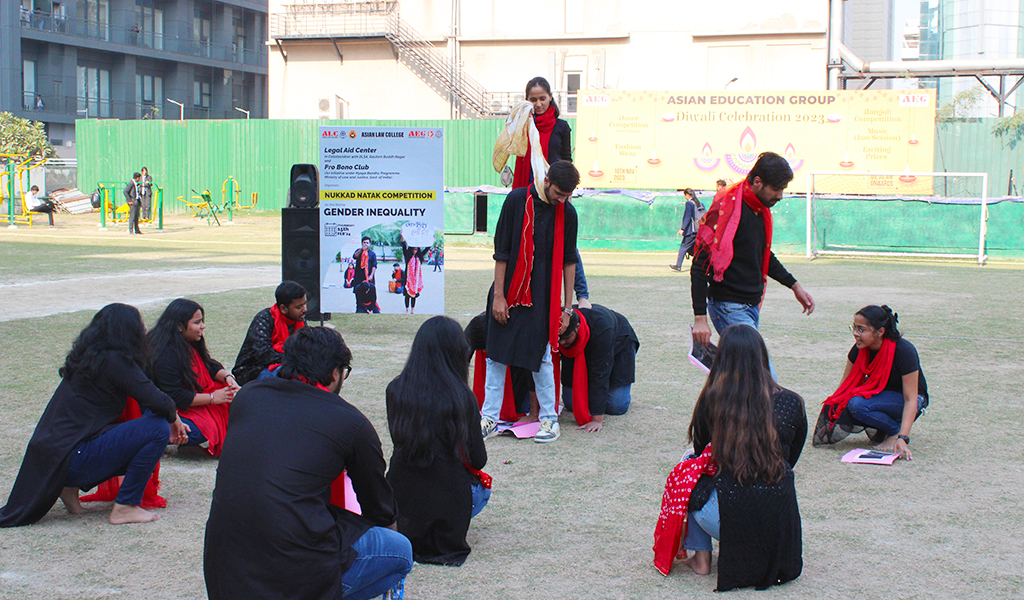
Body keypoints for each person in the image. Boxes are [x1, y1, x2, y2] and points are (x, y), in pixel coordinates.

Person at [204, 327, 412, 600]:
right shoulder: (350, 423)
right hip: (296, 572)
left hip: (225, 566)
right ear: (336, 373)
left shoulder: (249, 396)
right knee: (400, 550)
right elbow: (379, 507)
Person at [0, 304, 188, 527]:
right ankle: (125, 507)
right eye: (140, 324)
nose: (145, 328)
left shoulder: (91, 358)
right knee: (156, 428)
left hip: (57, 458)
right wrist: (174, 418)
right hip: (72, 458)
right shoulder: (115, 361)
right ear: (126, 330)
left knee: (143, 426)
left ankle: (67, 488)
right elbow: (158, 400)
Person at [654, 324, 805, 591]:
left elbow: (702, 453)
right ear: (761, 355)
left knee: (689, 470)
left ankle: (701, 559)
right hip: (779, 520)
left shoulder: (713, 399)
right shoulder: (793, 401)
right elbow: (790, 458)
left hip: (730, 515)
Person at [481, 160, 579, 444]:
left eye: (566, 196)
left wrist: (567, 307)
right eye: (558, 193)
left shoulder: (567, 213)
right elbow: (502, 252)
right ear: (546, 179)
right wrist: (499, 296)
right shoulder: (515, 200)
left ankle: (549, 421)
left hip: (544, 298)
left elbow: (569, 261)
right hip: (508, 292)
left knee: (544, 357)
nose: (561, 200)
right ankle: (488, 419)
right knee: (496, 357)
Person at [690, 152, 815, 367]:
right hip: (729, 306)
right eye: (776, 189)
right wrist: (700, 318)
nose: (780, 196)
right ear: (758, 182)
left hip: (751, 305)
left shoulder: (760, 211)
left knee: (737, 376)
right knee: (762, 376)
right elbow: (700, 265)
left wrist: (794, 285)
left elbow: (763, 255)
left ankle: (717, 401)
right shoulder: (725, 209)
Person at [386, 316, 489, 566]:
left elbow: (399, 442)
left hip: (401, 497)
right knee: (481, 490)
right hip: (448, 499)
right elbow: (479, 459)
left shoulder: (395, 390)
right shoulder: (463, 397)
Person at [813, 305, 928, 460]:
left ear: (880, 332)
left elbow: (911, 398)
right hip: (878, 396)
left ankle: (894, 431)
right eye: (854, 328)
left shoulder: (904, 351)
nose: (855, 334)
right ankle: (889, 427)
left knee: (857, 405)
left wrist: (902, 437)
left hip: (909, 399)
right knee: (846, 403)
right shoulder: (859, 349)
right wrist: (832, 417)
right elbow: (843, 388)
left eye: (861, 329)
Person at [149, 299, 240, 456]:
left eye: (202, 321)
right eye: (197, 322)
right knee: (196, 431)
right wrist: (212, 397)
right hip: (166, 408)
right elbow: (175, 396)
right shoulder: (165, 353)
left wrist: (227, 377)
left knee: (237, 406)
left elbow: (209, 364)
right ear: (179, 325)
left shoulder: (190, 340)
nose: (202, 326)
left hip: (189, 400)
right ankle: (156, 434)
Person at [558, 305, 640, 433]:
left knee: (616, 406)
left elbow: (600, 373)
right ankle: (596, 395)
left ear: (577, 327)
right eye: (559, 339)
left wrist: (596, 418)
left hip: (618, 344)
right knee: (570, 403)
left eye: (566, 338)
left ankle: (614, 390)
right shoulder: (562, 329)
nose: (561, 343)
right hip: (575, 349)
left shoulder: (603, 328)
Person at [231, 281, 307, 384]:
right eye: (299, 307)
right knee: (291, 376)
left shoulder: (299, 319)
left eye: (305, 304)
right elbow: (265, 354)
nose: (304, 309)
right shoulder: (264, 319)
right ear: (283, 309)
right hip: (253, 370)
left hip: (285, 364)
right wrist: (297, 360)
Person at [512, 76, 573, 189]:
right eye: (533, 100)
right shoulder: (522, 125)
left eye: (542, 98)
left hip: (554, 189)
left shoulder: (561, 127)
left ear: (550, 97)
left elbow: (566, 161)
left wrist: (566, 190)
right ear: (527, 100)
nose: (538, 104)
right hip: (526, 186)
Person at [670, 188, 703, 272]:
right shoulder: (700, 203)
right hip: (700, 230)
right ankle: (700, 263)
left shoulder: (689, 203)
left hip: (691, 230)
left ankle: (678, 265)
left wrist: (682, 229)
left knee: (683, 247)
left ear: (687, 195)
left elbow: (687, 217)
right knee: (693, 248)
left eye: (685, 195)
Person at [353, 236, 380, 313]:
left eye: (367, 243)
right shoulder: (358, 251)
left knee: (370, 291)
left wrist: (371, 275)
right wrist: (362, 250)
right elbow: (355, 256)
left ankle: (371, 308)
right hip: (359, 276)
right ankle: (359, 308)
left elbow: (374, 265)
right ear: (362, 243)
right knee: (358, 292)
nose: (366, 244)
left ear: (370, 244)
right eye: (364, 243)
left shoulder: (372, 254)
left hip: (369, 277)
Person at [399, 235, 426, 314]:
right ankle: (407, 309)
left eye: (416, 249)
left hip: (416, 279)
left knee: (414, 295)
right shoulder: (408, 257)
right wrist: (402, 237)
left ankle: (412, 310)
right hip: (408, 278)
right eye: (413, 249)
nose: (415, 251)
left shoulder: (419, 257)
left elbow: (426, 249)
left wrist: (431, 240)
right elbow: (404, 247)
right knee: (407, 295)